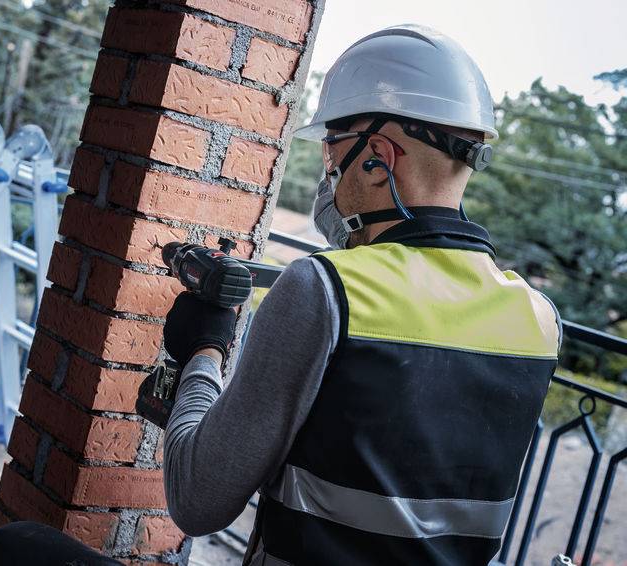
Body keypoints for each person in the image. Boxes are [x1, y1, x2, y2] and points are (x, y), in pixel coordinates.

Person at [161, 24, 561, 565]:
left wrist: (203, 352)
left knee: (18, 547)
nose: (328, 171)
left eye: (332, 150)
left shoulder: (323, 289)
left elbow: (197, 499)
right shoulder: (537, 319)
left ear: (378, 157)